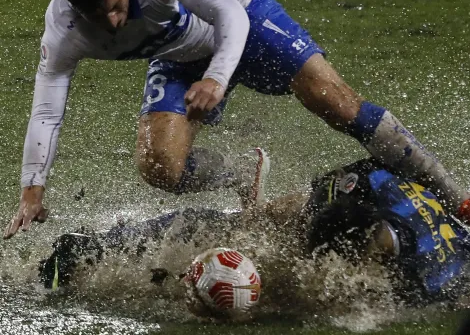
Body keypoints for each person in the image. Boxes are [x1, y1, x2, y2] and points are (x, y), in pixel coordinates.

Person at [4, 0, 470, 239]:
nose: (111, 23)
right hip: (183, 56)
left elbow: (230, 15)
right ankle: (242, 174)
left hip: (245, 17)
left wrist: (218, 79)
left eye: (114, 6)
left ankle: (455, 194)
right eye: (95, 17)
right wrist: (31, 191)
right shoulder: (64, 30)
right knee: (160, 167)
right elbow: (47, 108)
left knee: (338, 103)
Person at [39, 157, 470, 305]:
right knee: (254, 225)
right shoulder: (370, 184)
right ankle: (94, 246)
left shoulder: (426, 279)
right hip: (374, 195)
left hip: (388, 217)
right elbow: (344, 182)